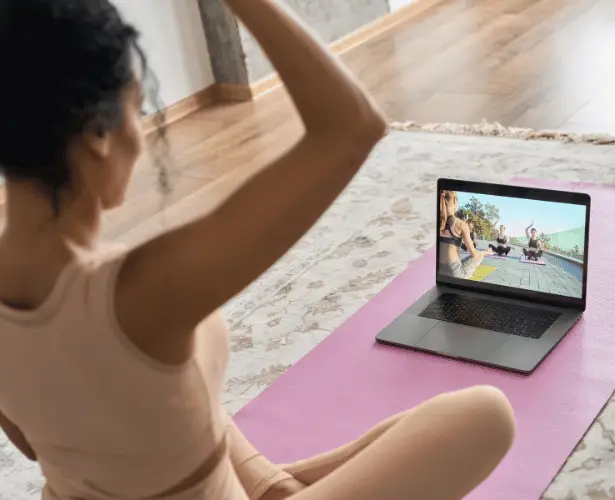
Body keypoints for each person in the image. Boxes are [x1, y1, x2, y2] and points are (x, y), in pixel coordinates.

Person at [0, 1, 515, 499]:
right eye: (139, 110)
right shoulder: (141, 289)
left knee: (152, 396)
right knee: (486, 415)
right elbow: (351, 125)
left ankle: (276, 487)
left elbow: (33, 443)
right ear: (98, 136)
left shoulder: (104, 290)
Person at [439, 191, 493, 279]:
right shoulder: (460, 224)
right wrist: (484, 253)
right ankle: (486, 252)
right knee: (479, 255)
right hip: (455, 274)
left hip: (438, 271)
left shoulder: (437, 222)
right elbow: (474, 254)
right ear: (455, 202)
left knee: (465, 259)